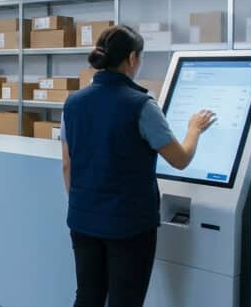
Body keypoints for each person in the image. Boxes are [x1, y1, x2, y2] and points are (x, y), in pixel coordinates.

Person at [61, 25, 216, 307]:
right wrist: (194, 129)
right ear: (132, 58)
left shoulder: (73, 102)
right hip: (129, 226)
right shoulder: (141, 105)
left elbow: (67, 164)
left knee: (87, 297)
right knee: (125, 301)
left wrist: (83, 205)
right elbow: (180, 159)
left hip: (82, 219)